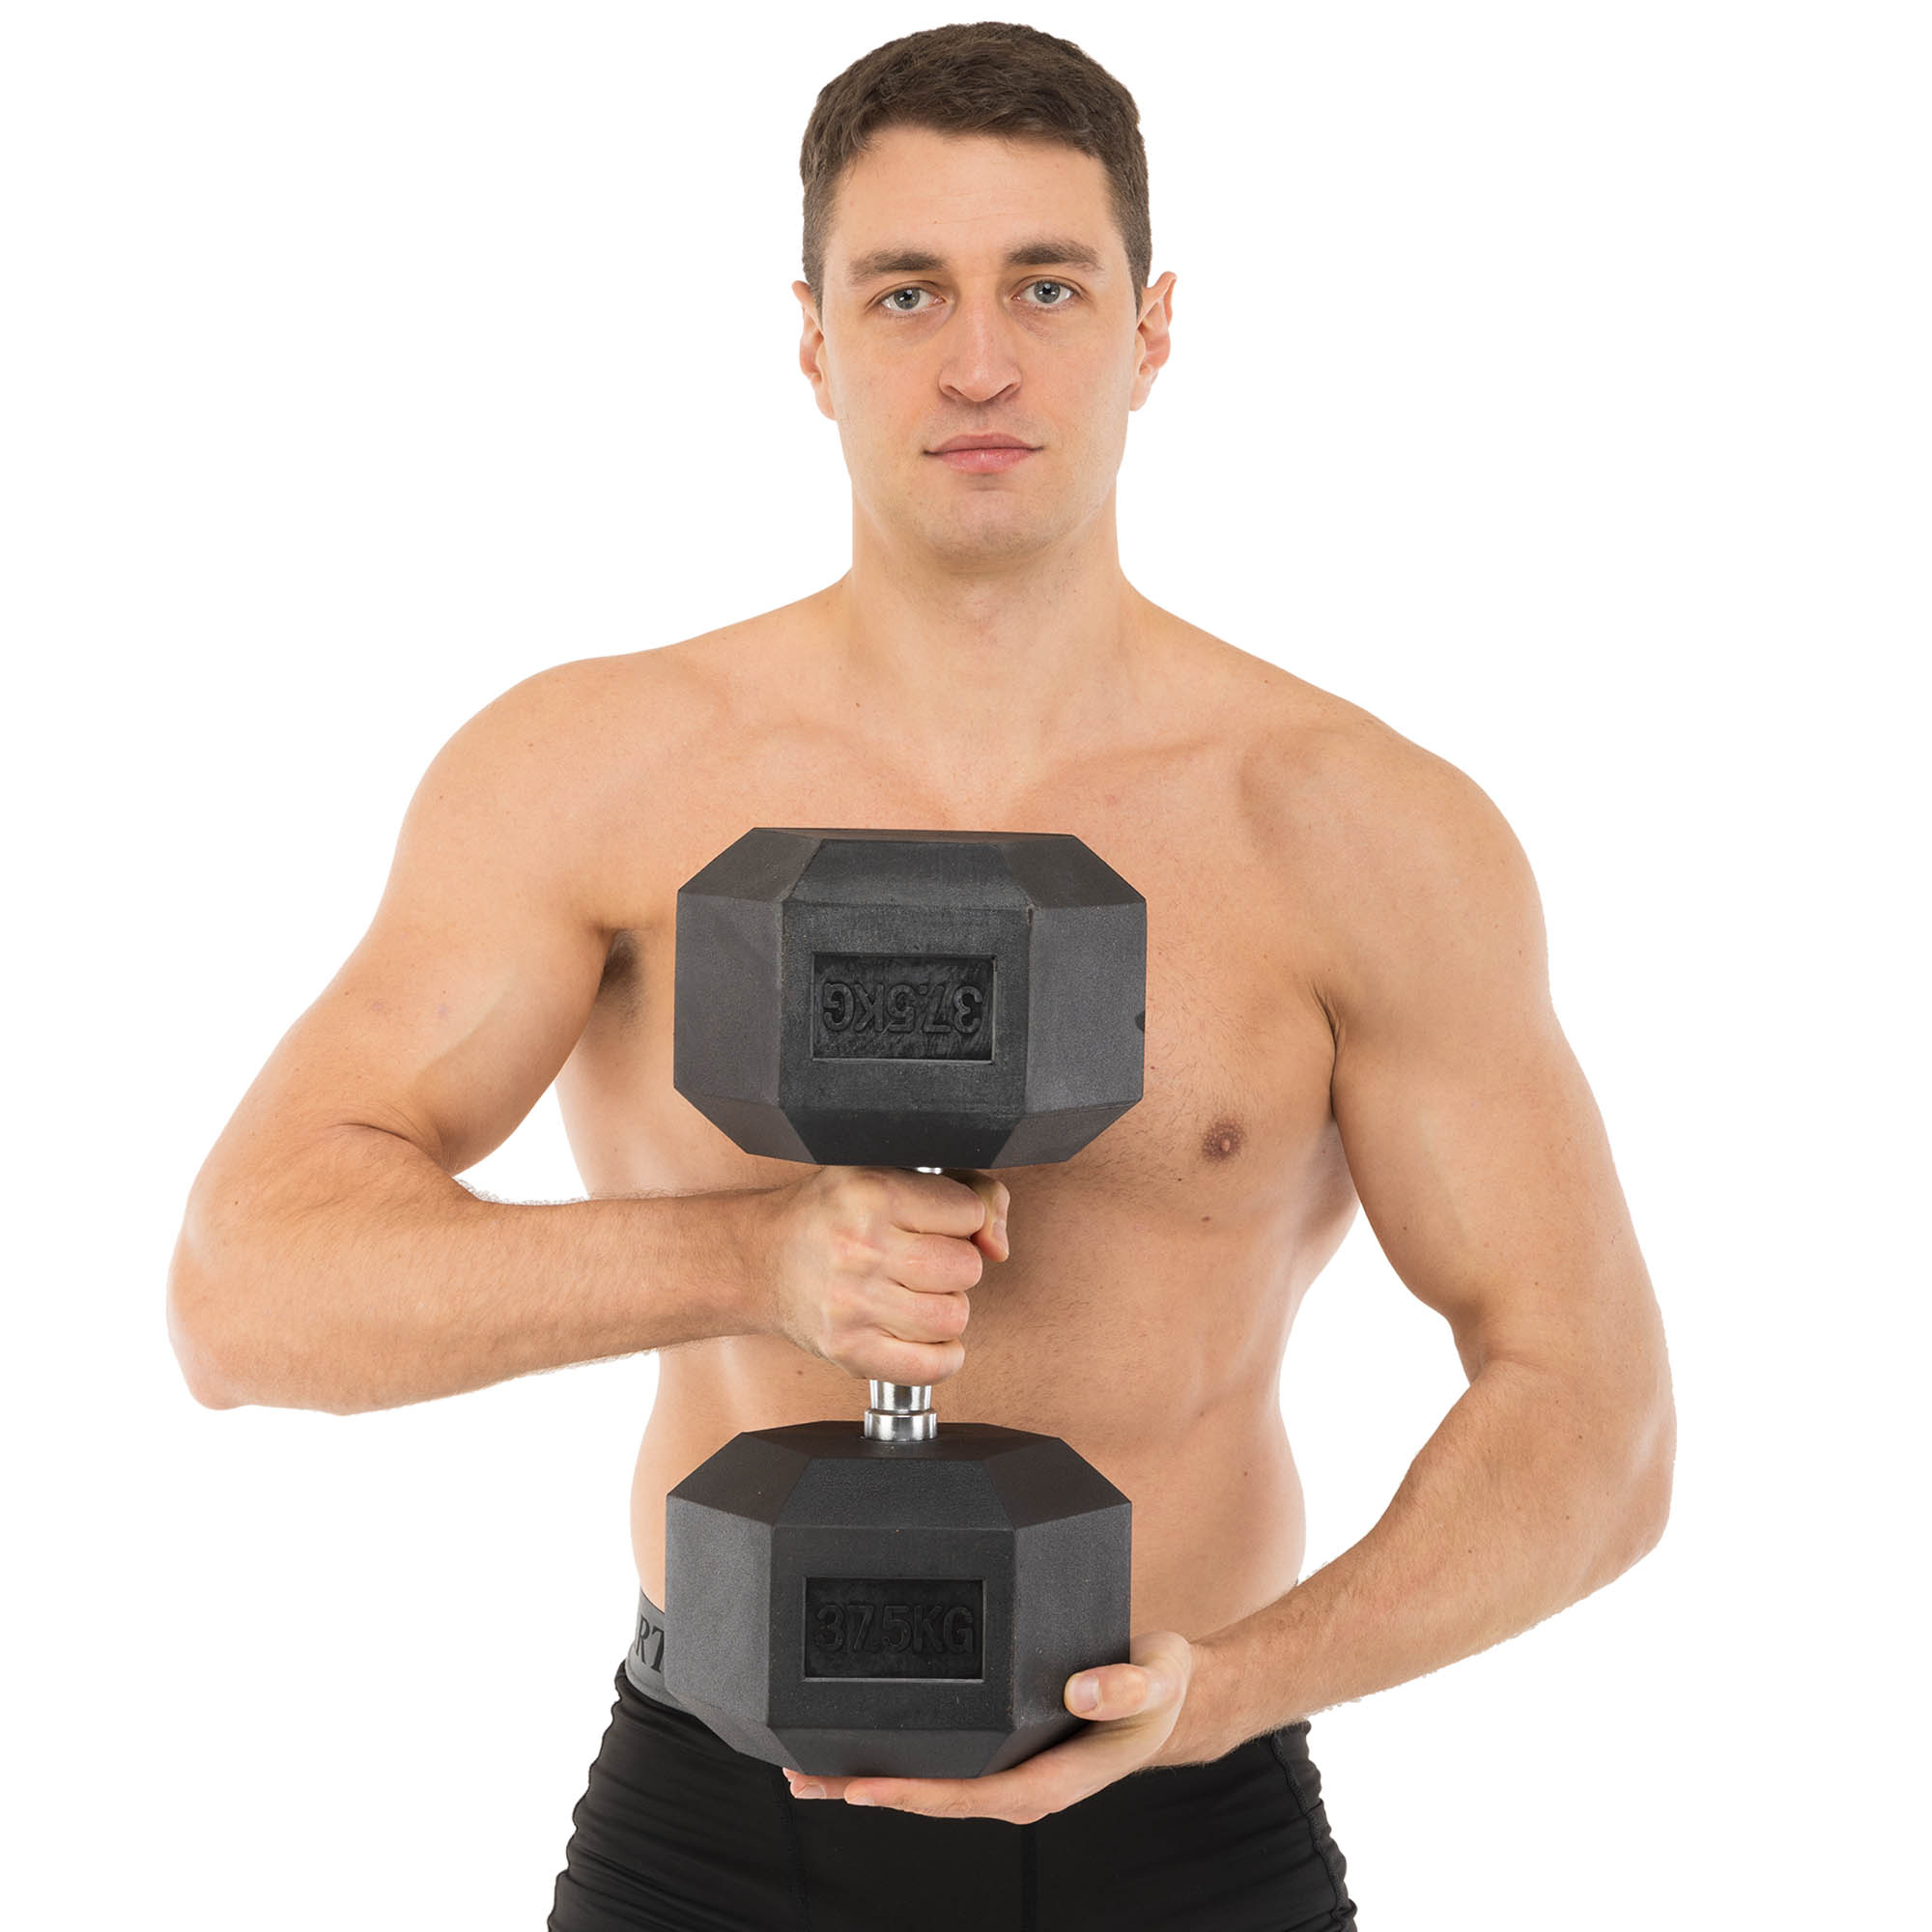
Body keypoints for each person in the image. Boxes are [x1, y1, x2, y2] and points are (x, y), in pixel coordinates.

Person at [165, 21, 1675, 1931]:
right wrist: (754, 1256)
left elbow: (1595, 1420)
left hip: (1187, 1814)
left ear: (1152, 329)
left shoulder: (1356, 830)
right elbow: (243, 1297)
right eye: (906, 292)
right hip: (718, 1830)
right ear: (811, 341)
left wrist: (1234, 1687)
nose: (979, 362)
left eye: (1047, 285)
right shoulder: (594, 775)